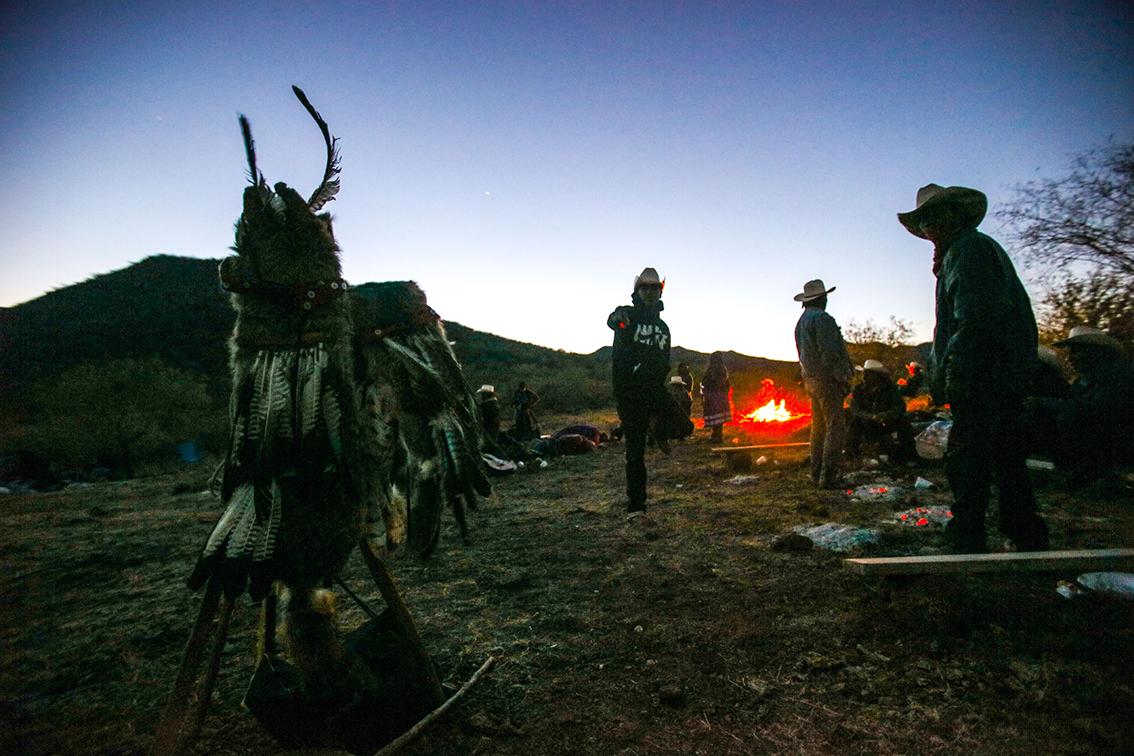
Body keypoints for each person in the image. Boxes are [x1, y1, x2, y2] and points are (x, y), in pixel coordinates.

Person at [898, 183, 1048, 552]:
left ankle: (968, 534)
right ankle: (1024, 531)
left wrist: (955, 375)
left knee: (969, 457)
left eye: (935, 217)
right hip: (997, 373)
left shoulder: (968, 251)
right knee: (1004, 456)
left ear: (954, 216)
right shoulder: (963, 251)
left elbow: (975, 320)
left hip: (985, 375)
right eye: (925, 222)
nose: (930, 228)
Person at [1031, 326, 1133, 488]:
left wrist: (1041, 402)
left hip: (1120, 442)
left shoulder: (1121, 376)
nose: (1070, 359)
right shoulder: (1085, 380)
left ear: (1096, 352)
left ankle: (1093, 471)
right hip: (1110, 440)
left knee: (1070, 417)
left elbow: (1100, 410)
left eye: (1076, 352)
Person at [607, 267, 672, 515]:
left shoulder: (663, 326)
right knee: (635, 451)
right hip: (630, 392)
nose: (649, 292)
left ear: (660, 291)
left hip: (653, 389)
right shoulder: (628, 315)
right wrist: (617, 317)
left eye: (654, 287)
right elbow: (613, 319)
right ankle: (636, 505)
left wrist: (657, 381)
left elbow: (664, 357)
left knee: (684, 426)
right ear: (637, 291)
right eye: (644, 287)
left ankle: (658, 427)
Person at [793, 279, 854, 488]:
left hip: (810, 380)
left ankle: (816, 472)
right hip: (827, 381)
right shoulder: (823, 319)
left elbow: (803, 354)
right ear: (822, 299)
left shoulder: (800, 323)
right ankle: (829, 477)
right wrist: (841, 377)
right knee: (835, 427)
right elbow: (829, 353)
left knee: (818, 428)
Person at [845, 360, 916, 464]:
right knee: (854, 421)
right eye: (865, 373)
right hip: (867, 422)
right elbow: (855, 409)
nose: (865, 377)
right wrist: (871, 417)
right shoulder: (859, 389)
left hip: (887, 422)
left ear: (878, 376)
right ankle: (851, 455)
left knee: (903, 422)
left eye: (869, 374)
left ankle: (907, 456)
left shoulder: (891, 389)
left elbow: (900, 407)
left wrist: (887, 415)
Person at [701, 351, 732, 443]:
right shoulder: (723, 369)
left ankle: (717, 437)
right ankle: (716, 435)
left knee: (716, 416)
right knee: (718, 417)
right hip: (720, 395)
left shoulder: (714, 370)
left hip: (714, 395)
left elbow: (707, 381)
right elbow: (727, 384)